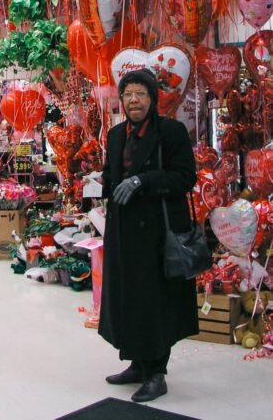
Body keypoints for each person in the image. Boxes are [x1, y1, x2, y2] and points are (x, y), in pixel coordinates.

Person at [98, 68, 199, 403]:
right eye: (128, 94)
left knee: (155, 302)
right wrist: (102, 183)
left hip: (157, 231)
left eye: (141, 93)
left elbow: (184, 177)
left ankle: (157, 372)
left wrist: (144, 181)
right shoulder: (115, 134)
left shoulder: (170, 131)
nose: (133, 100)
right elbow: (112, 172)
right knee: (128, 297)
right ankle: (138, 363)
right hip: (123, 231)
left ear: (153, 98)